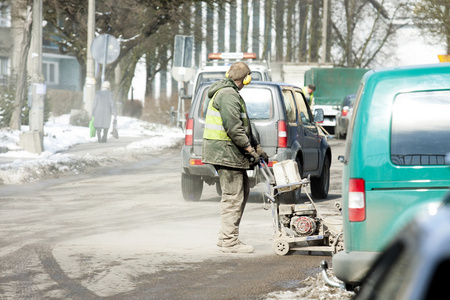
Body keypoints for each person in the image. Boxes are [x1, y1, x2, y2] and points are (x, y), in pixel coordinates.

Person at [202, 61, 268, 254]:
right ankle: (230, 241)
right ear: (245, 79)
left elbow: (245, 125)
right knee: (233, 196)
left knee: (241, 192)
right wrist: (249, 149)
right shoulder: (227, 95)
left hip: (229, 151)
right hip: (225, 151)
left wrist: (257, 147)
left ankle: (226, 237)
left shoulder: (231, 94)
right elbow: (234, 128)